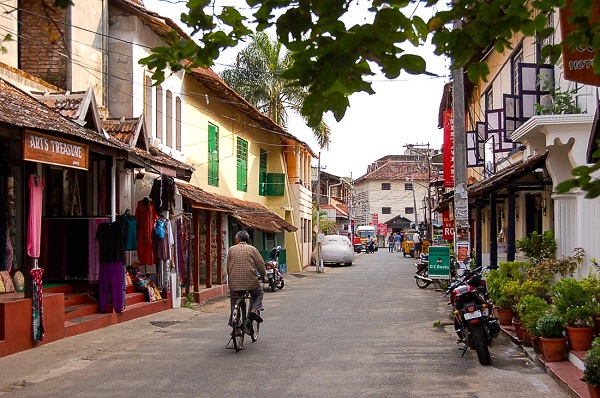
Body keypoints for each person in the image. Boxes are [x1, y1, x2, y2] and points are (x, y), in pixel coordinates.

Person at [226, 230, 267, 335]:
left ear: (238, 239)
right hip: (250, 282)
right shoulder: (252, 249)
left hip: (234, 283)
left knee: (234, 302)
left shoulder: (231, 250)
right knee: (259, 293)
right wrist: (263, 275)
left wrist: (230, 278)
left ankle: (235, 329)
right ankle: (253, 310)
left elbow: (227, 267)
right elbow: (261, 264)